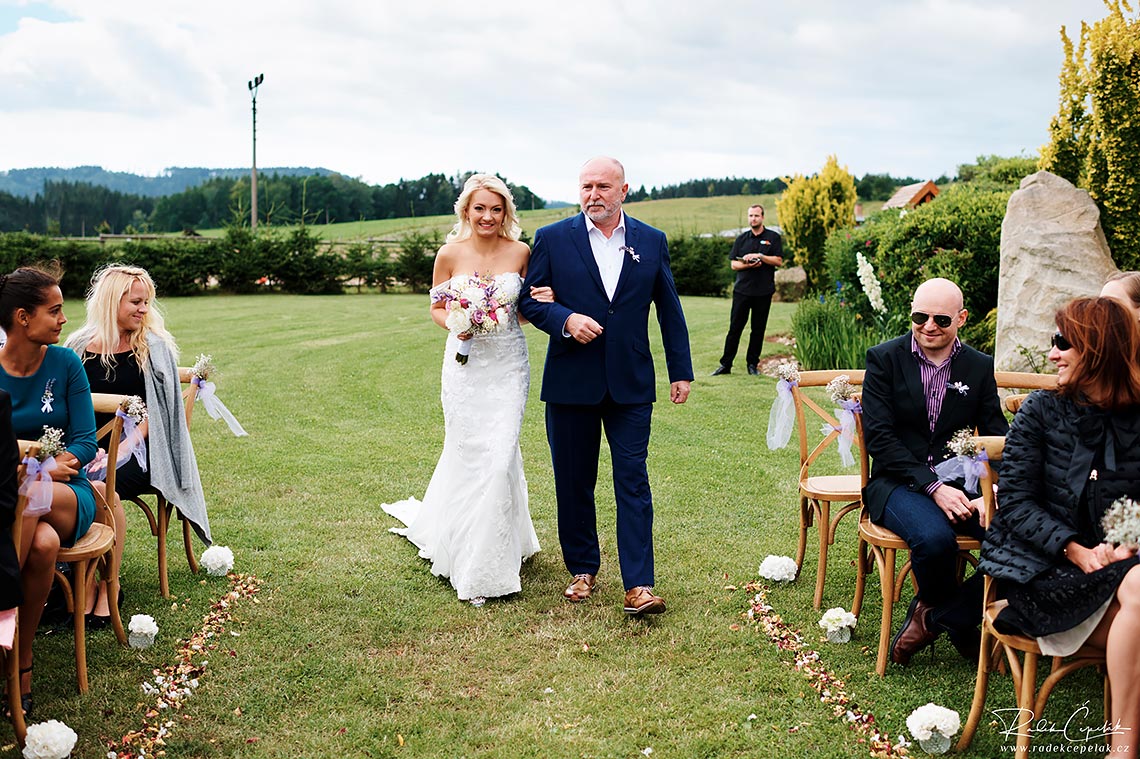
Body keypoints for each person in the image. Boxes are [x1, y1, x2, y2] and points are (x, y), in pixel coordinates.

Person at [518, 157, 694, 616]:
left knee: (632, 480)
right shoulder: (553, 239)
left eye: (602, 186)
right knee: (574, 479)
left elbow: (669, 309)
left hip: (631, 382)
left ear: (624, 190)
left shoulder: (651, 242)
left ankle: (639, 584)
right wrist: (565, 319)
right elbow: (529, 302)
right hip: (570, 380)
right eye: (586, 186)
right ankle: (582, 569)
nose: (593, 194)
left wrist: (681, 370)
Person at [381, 174, 552, 606]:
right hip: (464, 364)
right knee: (467, 451)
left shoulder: (521, 252)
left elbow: (526, 312)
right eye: (480, 208)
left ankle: (492, 558)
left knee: (499, 457)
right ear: (466, 210)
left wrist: (543, 302)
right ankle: (462, 542)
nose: (488, 217)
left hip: (508, 365)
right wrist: (461, 324)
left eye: (496, 209)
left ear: (506, 213)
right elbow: (436, 308)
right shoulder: (449, 253)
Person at [980, 297, 1140, 754]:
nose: (1051, 354)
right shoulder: (1040, 411)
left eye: (1063, 342)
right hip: (1045, 567)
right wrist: (1077, 549)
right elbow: (1015, 502)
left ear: (1098, 348)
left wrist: (1126, 542)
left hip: (1124, 565)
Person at [861, 277, 1008, 665]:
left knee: (1022, 537)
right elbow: (880, 439)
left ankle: (939, 615)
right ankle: (960, 624)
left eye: (941, 319)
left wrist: (993, 493)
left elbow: (996, 435)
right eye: (919, 316)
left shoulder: (977, 366)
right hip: (897, 484)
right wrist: (934, 487)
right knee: (935, 539)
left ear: (961, 318)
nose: (929, 326)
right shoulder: (884, 358)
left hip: (966, 487)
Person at [0, 265, 123, 716]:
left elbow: (86, 444)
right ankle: (20, 660)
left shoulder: (67, 364)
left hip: (70, 495)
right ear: (22, 317)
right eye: (54, 311)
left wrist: (37, 469)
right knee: (42, 545)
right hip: (16, 505)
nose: (63, 320)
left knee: (32, 492)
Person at [63, 264, 211, 552]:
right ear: (110, 301)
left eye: (146, 302)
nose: (144, 309)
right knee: (51, 481)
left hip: (143, 449)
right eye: (135, 302)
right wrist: (87, 450)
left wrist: (120, 451)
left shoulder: (153, 347)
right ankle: (70, 566)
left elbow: (160, 412)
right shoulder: (78, 346)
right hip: (88, 443)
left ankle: (101, 575)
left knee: (98, 485)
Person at [711, 204, 783, 376]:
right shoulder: (742, 239)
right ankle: (725, 365)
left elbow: (779, 261)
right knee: (735, 328)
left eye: (756, 216)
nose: (753, 219)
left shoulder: (773, 238)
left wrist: (761, 257)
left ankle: (752, 365)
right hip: (742, 291)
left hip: (763, 291)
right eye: (751, 216)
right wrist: (747, 262)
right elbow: (733, 264)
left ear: (763, 217)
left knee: (757, 330)